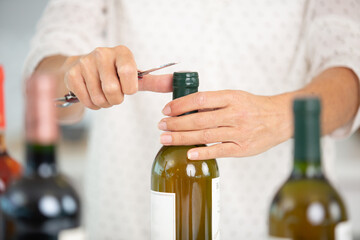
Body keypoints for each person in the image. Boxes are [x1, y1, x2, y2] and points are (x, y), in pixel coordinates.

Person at [25, 0, 360, 239]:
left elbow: (349, 71)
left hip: (265, 226)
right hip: (124, 224)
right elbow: (47, 66)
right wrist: (74, 73)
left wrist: (279, 116)